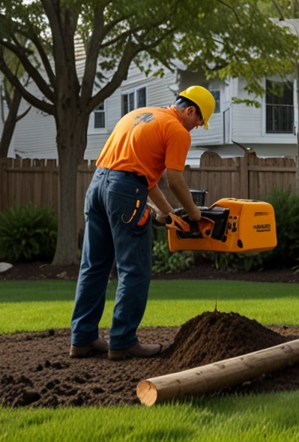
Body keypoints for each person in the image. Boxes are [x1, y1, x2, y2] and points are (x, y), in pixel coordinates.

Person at [69, 86, 215, 360]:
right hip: (125, 190)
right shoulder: (177, 131)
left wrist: (167, 212)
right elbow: (174, 180)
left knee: (94, 266)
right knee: (134, 270)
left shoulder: (140, 115)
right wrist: (193, 213)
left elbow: (141, 178)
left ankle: (82, 339)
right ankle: (123, 340)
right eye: (198, 121)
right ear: (190, 110)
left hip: (98, 186)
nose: (196, 127)